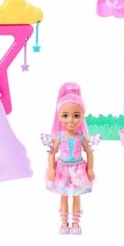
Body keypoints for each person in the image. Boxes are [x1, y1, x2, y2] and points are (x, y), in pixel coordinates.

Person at [46, 82, 95, 234]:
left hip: (78, 170)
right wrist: (51, 169)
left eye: (76, 116)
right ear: (59, 116)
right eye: (65, 116)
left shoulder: (81, 136)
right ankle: (64, 223)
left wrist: (90, 169)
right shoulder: (60, 136)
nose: (71, 120)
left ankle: (75, 223)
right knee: (64, 196)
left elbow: (89, 152)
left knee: (76, 196)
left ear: (82, 117)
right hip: (62, 170)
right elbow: (52, 152)